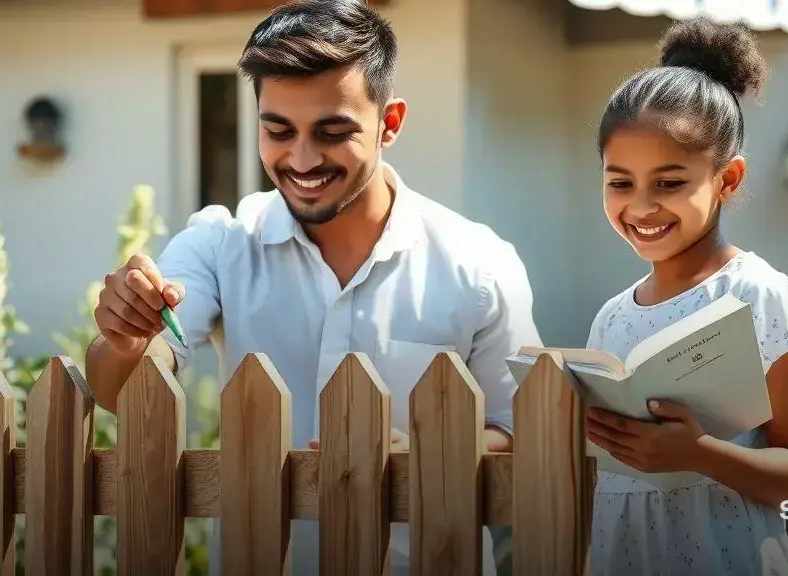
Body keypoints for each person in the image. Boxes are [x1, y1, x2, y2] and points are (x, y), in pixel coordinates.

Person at [84, 1, 537, 573]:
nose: (301, 158)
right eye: (278, 130)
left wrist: (429, 453)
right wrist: (125, 338)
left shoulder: (480, 263)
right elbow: (117, 389)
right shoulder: (221, 243)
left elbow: (522, 432)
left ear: (389, 123)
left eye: (332, 132)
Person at [581, 17, 788, 576]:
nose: (640, 207)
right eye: (620, 183)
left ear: (727, 180)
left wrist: (698, 454)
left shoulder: (756, 295)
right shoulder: (610, 318)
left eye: (669, 184)